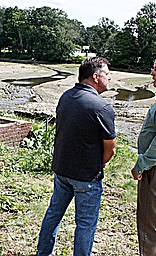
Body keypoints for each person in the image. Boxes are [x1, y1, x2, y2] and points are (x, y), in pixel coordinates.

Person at [37, 57, 117, 256]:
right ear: (96, 77)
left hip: (62, 171)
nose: (110, 78)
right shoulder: (101, 107)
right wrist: (101, 164)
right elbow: (111, 148)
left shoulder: (66, 96)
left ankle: (43, 253)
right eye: (107, 74)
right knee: (85, 225)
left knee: (53, 214)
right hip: (86, 178)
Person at [131, 60, 156, 255]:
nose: (152, 73)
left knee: (149, 224)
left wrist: (141, 165)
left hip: (153, 169)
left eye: (155, 70)